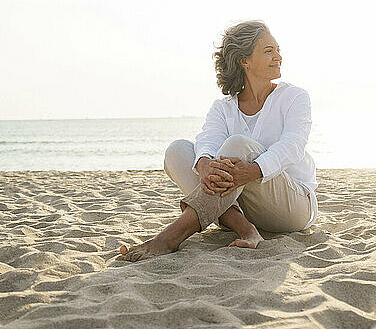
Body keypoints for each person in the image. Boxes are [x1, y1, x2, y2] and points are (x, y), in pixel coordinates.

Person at [119, 20, 318, 262]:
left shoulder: (294, 97)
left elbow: (293, 145)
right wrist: (204, 165)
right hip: (239, 206)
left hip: (290, 207)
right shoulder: (223, 108)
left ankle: (172, 235)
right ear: (245, 61)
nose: (278, 57)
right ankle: (245, 228)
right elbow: (208, 139)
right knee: (177, 151)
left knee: (237, 146)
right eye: (269, 51)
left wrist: (253, 170)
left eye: (277, 50)